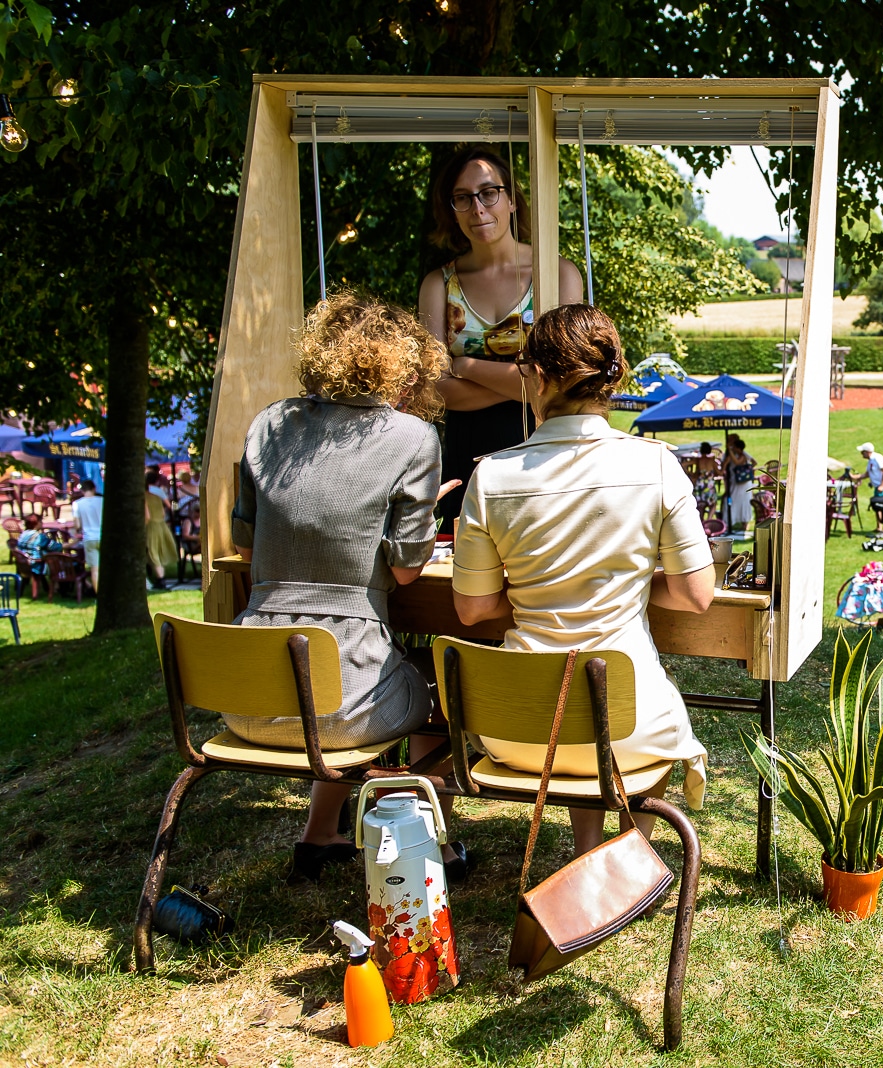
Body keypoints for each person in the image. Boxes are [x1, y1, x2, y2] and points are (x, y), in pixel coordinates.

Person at [451, 303, 714, 855]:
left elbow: (472, 609)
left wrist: (539, 591)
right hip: (629, 724)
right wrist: (630, 584)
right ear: (611, 377)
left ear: (538, 377)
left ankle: (589, 852)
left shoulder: (490, 475)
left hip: (518, 724)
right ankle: (629, 855)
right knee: (615, 708)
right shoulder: (656, 464)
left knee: (577, 704)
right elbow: (696, 594)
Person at [229, 292, 459, 881]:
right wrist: (419, 516)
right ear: (402, 365)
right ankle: (430, 839)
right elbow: (406, 570)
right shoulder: (412, 437)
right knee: (437, 677)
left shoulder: (269, 423)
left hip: (248, 698)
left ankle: (319, 834)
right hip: (344, 706)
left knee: (337, 665)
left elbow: (247, 550)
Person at [418, 145, 584, 523]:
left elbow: (563, 382)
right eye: (463, 197)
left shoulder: (557, 275)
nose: (477, 208)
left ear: (511, 200)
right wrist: (528, 382)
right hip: (466, 458)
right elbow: (435, 390)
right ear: (452, 209)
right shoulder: (439, 284)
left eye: (489, 192)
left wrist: (465, 366)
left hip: (545, 453)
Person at [144, 471, 179, 591]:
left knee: (152, 552)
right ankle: (161, 578)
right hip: (161, 525)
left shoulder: (143, 498)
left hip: (151, 526)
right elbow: (165, 511)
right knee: (158, 551)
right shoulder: (157, 496)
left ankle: (160, 579)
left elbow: (147, 516)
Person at [853, 441, 883, 538]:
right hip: (878, 486)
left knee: (882, 506)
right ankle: (879, 527)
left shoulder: (877, 458)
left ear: (867, 452)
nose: (861, 454)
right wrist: (856, 477)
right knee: (877, 506)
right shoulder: (871, 461)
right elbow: (868, 474)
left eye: (862, 452)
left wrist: (882, 485)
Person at [71, 479, 102, 591]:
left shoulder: (77, 504)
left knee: (95, 569)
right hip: (103, 536)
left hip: (89, 538)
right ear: (94, 489)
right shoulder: (102, 500)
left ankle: (98, 594)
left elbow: (77, 525)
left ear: (82, 491)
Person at [15, 513, 61, 584]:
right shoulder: (39, 537)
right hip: (36, 565)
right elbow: (55, 547)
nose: (42, 523)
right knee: (60, 563)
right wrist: (69, 544)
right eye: (41, 521)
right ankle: (58, 586)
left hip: (23, 564)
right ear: (37, 523)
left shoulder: (23, 534)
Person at [723, 433, 757, 530]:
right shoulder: (730, 454)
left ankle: (744, 523)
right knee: (730, 501)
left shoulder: (743, 454)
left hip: (744, 483)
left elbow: (738, 462)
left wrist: (747, 469)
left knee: (744, 502)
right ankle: (729, 521)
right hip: (735, 482)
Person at [690, 441, 721, 520]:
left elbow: (684, 464)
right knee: (713, 504)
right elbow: (719, 473)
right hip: (709, 485)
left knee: (701, 506)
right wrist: (724, 465)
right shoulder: (711, 460)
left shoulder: (698, 460)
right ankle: (709, 519)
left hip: (700, 485)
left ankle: (701, 522)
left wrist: (690, 473)